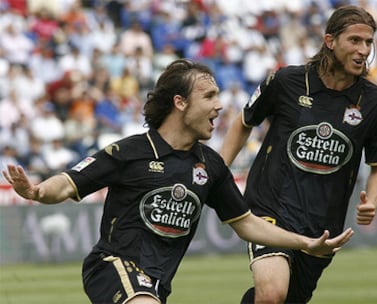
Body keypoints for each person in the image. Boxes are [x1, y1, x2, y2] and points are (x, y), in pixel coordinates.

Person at [2, 59, 354, 304]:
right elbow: (66, 183)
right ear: (180, 102)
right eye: (209, 96)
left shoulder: (210, 167)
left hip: (156, 287)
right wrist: (35, 191)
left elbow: (246, 223)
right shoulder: (130, 151)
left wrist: (304, 243)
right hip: (114, 268)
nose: (220, 106)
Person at [220, 6, 377, 304]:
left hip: (322, 226)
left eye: (368, 42)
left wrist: (373, 202)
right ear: (330, 41)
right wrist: (218, 172)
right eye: (354, 40)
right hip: (270, 209)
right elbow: (244, 122)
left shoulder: (375, 103)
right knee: (273, 293)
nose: (363, 50)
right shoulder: (286, 82)